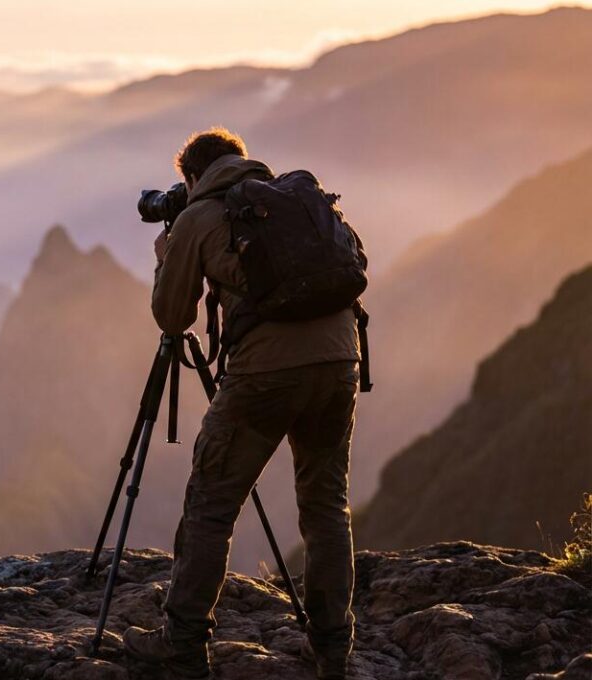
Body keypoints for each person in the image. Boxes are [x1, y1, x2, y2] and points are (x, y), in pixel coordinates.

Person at [122, 128, 363, 680]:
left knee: (211, 505)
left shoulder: (199, 218)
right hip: (340, 361)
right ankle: (331, 649)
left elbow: (173, 316)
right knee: (326, 503)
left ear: (193, 177)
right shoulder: (291, 200)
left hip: (265, 376)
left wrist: (168, 252)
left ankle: (181, 643)